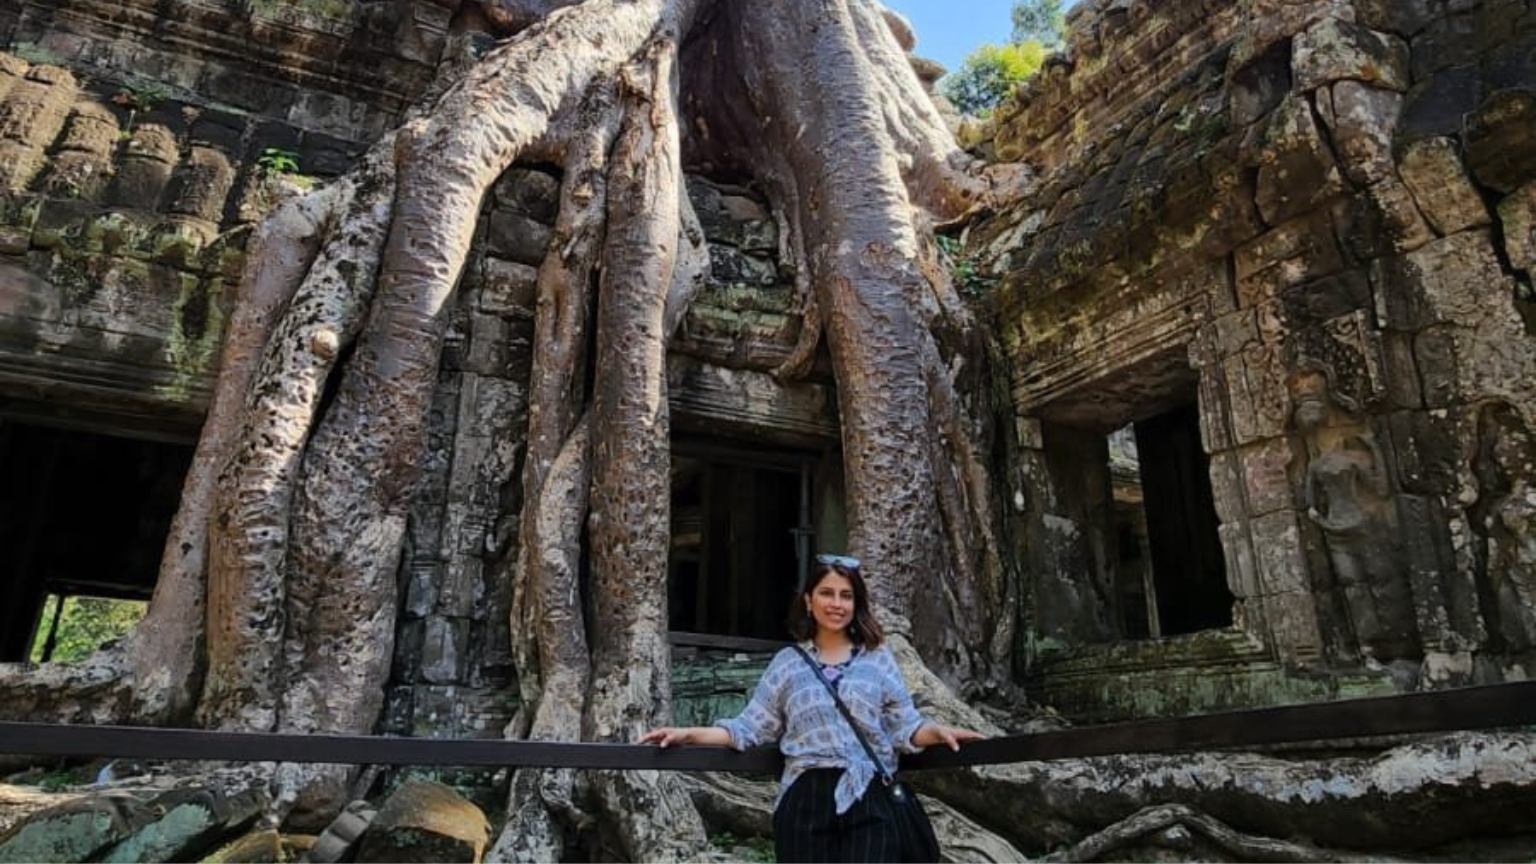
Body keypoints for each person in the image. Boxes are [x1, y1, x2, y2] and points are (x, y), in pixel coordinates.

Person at [638, 553, 983, 863]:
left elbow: (904, 725)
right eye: (827, 593)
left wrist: (937, 732)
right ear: (808, 600)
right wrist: (688, 734)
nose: (836, 603)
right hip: (805, 799)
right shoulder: (788, 663)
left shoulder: (878, 659)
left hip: (868, 792)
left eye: (846, 595)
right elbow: (749, 727)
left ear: (857, 604)